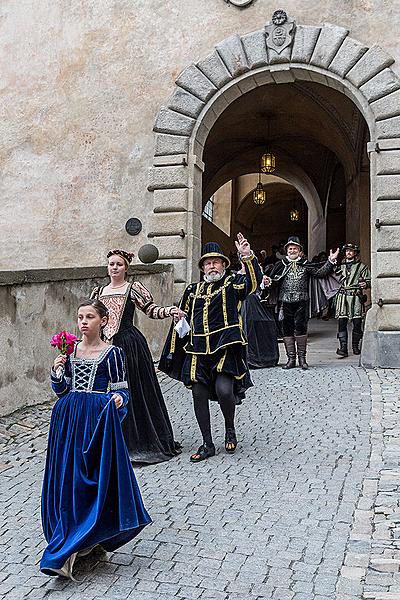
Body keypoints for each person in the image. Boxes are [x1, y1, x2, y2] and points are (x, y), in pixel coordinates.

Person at [41, 299, 151, 579]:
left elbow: (124, 391)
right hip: (67, 421)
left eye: (89, 317)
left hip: (97, 421)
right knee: (68, 479)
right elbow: (61, 388)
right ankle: (66, 546)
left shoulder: (112, 354)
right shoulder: (70, 350)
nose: (83, 322)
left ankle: (87, 536)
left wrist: (117, 399)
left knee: (89, 479)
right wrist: (56, 371)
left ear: (103, 321)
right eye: (80, 317)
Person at [159, 233, 262, 462]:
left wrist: (247, 257)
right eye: (207, 262)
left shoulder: (233, 282)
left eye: (216, 261)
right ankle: (207, 443)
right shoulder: (192, 290)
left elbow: (252, 284)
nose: (211, 265)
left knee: (225, 391)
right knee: (198, 394)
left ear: (224, 264)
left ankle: (229, 428)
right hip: (197, 350)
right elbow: (183, 320)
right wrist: (178, 319)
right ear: (202, 267)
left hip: (226, 347)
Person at [91, 250, 182, 464]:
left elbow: (151, 310)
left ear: (126, 268)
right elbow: (91, 318)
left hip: (129, 345)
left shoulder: (133, 289)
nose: (114, 268)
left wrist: (169, 311)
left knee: (133, 390)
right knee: (105, 390)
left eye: (119, 264)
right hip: (104, 347)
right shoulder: (98, 292)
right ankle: (109, 442)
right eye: (111, 264)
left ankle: (138, 441)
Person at [265, 236, 339, 370]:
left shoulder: (305, 263)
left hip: (302, 302)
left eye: (295, 248)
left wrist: (330, 261)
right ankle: (291, 360)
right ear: (286, 250)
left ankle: (302, 359)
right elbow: (273, 281)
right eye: (290, 248)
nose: (292, 250)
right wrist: (267, 282)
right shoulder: (280, 265)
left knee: (301, 328)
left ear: (300, 251)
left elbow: (319, 273)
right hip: (285, 302)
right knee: (286, 330)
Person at [334, 243, 371, 357]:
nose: (348, 253)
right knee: (341, 322)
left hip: (355, 297)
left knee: (357, 323)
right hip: (343, 297)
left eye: (351, 251)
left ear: (355, 253)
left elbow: (369, 280)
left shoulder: (362, 267)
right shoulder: (340, 267)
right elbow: (333, 278)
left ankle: (355, 346)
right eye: (346, 251)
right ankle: (343, 348)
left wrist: (366, 284)